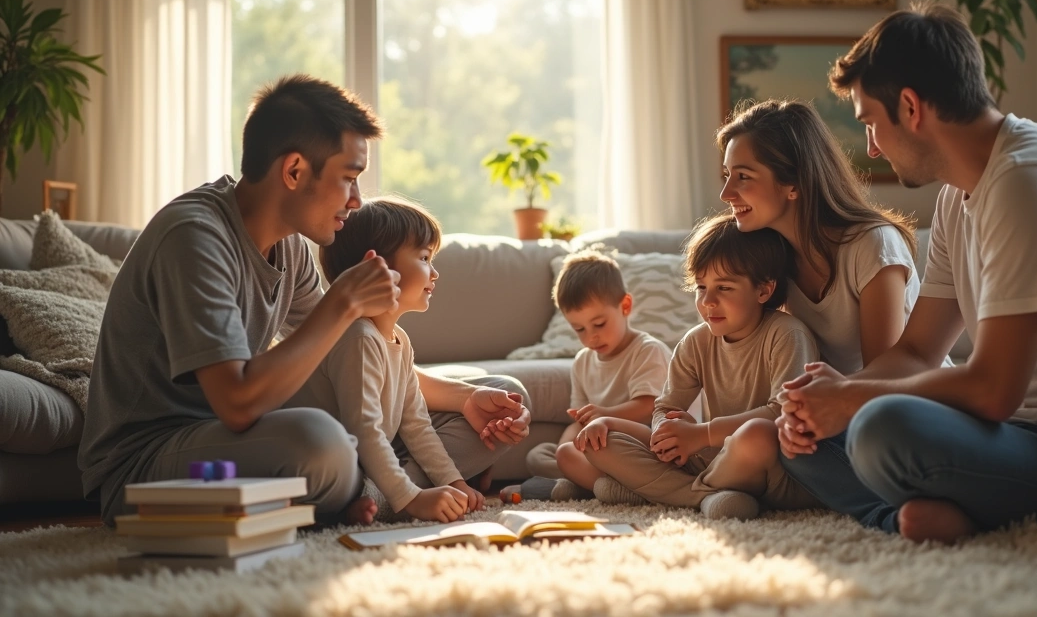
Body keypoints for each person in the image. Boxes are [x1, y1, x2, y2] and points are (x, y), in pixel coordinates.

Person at [777, 4, 1037, 544]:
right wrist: (836, 393)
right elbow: (916, 352)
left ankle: (931, 512)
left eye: (869, 123)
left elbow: (995, 389)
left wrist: (852, 401)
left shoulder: (1030, 181)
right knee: (797, 438)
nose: (870, 148)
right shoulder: (960, 197)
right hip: (1003, 437)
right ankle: (924, 518)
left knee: (880, 428)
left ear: (910, 107)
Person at [78, 75, 529, 525]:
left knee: (503, 393)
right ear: (294, 171)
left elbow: (355, 352)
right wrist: (342, 303)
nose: (356, 201)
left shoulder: (289, 245)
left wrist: (466, 397)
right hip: (149, 463)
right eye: (349, 179)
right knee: (321, 444)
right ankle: (387, 490)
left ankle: (376, 490)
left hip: (242, 443)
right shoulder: (195, 239)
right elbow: (236, 404)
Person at [711, 98, 926, 499]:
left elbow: (887, 378)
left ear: (794, 183)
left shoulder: (872, 245)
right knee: (778, 440)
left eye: (742, 176)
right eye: (726, 175)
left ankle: (892, 505)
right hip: (833, 417)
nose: (726, 192)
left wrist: (819, 410)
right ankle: (894, 504)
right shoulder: (774, 261)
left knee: (851, 437)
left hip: (895, 412)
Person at [286, 197, 530, 524]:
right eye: (425, 258)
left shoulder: (399, 339)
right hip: (339, 463)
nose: (435, 272)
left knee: (499, 398)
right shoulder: (357, 338)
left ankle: (384, 494)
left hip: (376, 457)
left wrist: (452, 481)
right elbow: (366, 429)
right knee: (364, 477)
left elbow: (416, 424)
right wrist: (411, 499)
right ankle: (386, 498)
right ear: (378, 269)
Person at [581, 212, 821, 520]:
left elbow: (782, 414)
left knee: (755, 435)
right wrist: (667, 433)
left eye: (724, 288)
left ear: (764, 290)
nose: (708, 301)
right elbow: (664, 407)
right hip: (715, 459)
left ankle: (664, 493)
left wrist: (702, 434)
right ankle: (709, 497)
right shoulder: (695, 341)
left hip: (772, 467)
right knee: (597, 442)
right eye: (701, 287)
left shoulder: (788, 335)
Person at [499, 248, 672, 503]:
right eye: (579, 328)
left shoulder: (648, 351)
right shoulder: (582, 362)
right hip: (597, 447)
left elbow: (650, 408)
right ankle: (590, 485)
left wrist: (604, 414)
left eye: (599, 324)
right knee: (540, 455)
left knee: (574, 455)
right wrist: (566, 451)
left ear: (625, 306)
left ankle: (578, 485)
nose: (591, 337)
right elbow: (579, 421)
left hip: (644, 447)